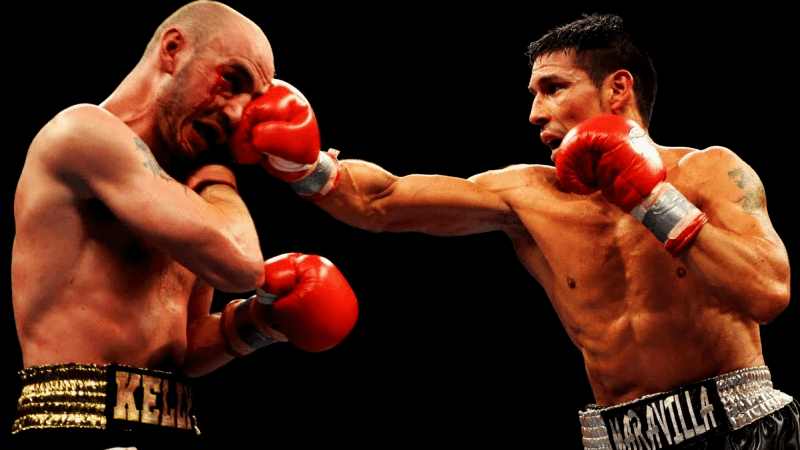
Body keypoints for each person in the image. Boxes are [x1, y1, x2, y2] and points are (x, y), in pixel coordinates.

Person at [229, 13, 798, 449]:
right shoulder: (528, 195)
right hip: (617, 437)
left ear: (617, 88)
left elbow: (768, 294)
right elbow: (383, 200)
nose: (535, 113)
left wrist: (653, 201)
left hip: (738, 425)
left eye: (553, 88)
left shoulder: (709, 171)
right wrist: (306, 166)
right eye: (533, 95)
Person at [10, 1, 358, 448]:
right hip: (78, 430)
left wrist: (261, 321)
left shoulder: (187, 189)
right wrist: (220, 171)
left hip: (172, 427)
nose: (237, 114)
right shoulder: (82, 132)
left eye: (252, 102)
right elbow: (241, 265)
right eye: (231, 81)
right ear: (173, 49)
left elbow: (184, 346)